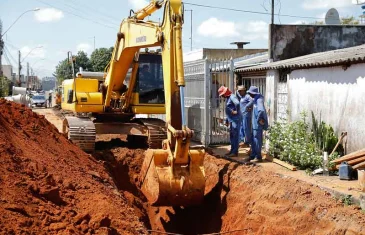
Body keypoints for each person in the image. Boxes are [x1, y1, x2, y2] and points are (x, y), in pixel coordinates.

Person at [218, 86, 241, 157]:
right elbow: (229, 109)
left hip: (235, 119)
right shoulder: (228, 98)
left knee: (235, 135)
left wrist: (236, 111)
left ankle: (235, 152)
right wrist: (227, 120)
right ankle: (232, 150)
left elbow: (237, 104)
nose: (222, 97)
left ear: (225, 93)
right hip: (231, 119)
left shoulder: (232, 97)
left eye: (222, 95)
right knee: (232, 135)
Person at [247, 86, 268, 162]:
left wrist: (258, 119)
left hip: (257, 125)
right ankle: (253, 155)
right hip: (254, 124)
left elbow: (261, 110)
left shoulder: (259, 100)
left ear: (253, 93)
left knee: (257, 140)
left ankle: (258, 157)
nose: (249, 95)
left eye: (250, 93)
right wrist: (248, 107)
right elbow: (251, 104)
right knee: (253, 140)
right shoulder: (255, 99)